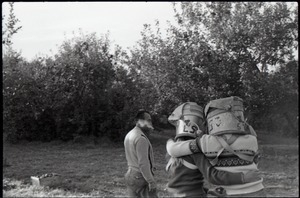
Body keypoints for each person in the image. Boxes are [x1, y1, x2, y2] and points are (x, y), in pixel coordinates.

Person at [166, 102, 261, 197]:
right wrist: (242, 177)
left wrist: (208, 192)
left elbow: (183, 182)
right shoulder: (196, 152)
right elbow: (212, 175)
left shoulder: (172, 151)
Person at [124, 109, 158, 198]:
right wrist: (151, 181)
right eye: (148, 120)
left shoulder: (129, 134)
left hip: (130, 174)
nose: (150, 123)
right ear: (140, 121)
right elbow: (143, 163)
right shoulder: (141, 138)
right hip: (140, 176)